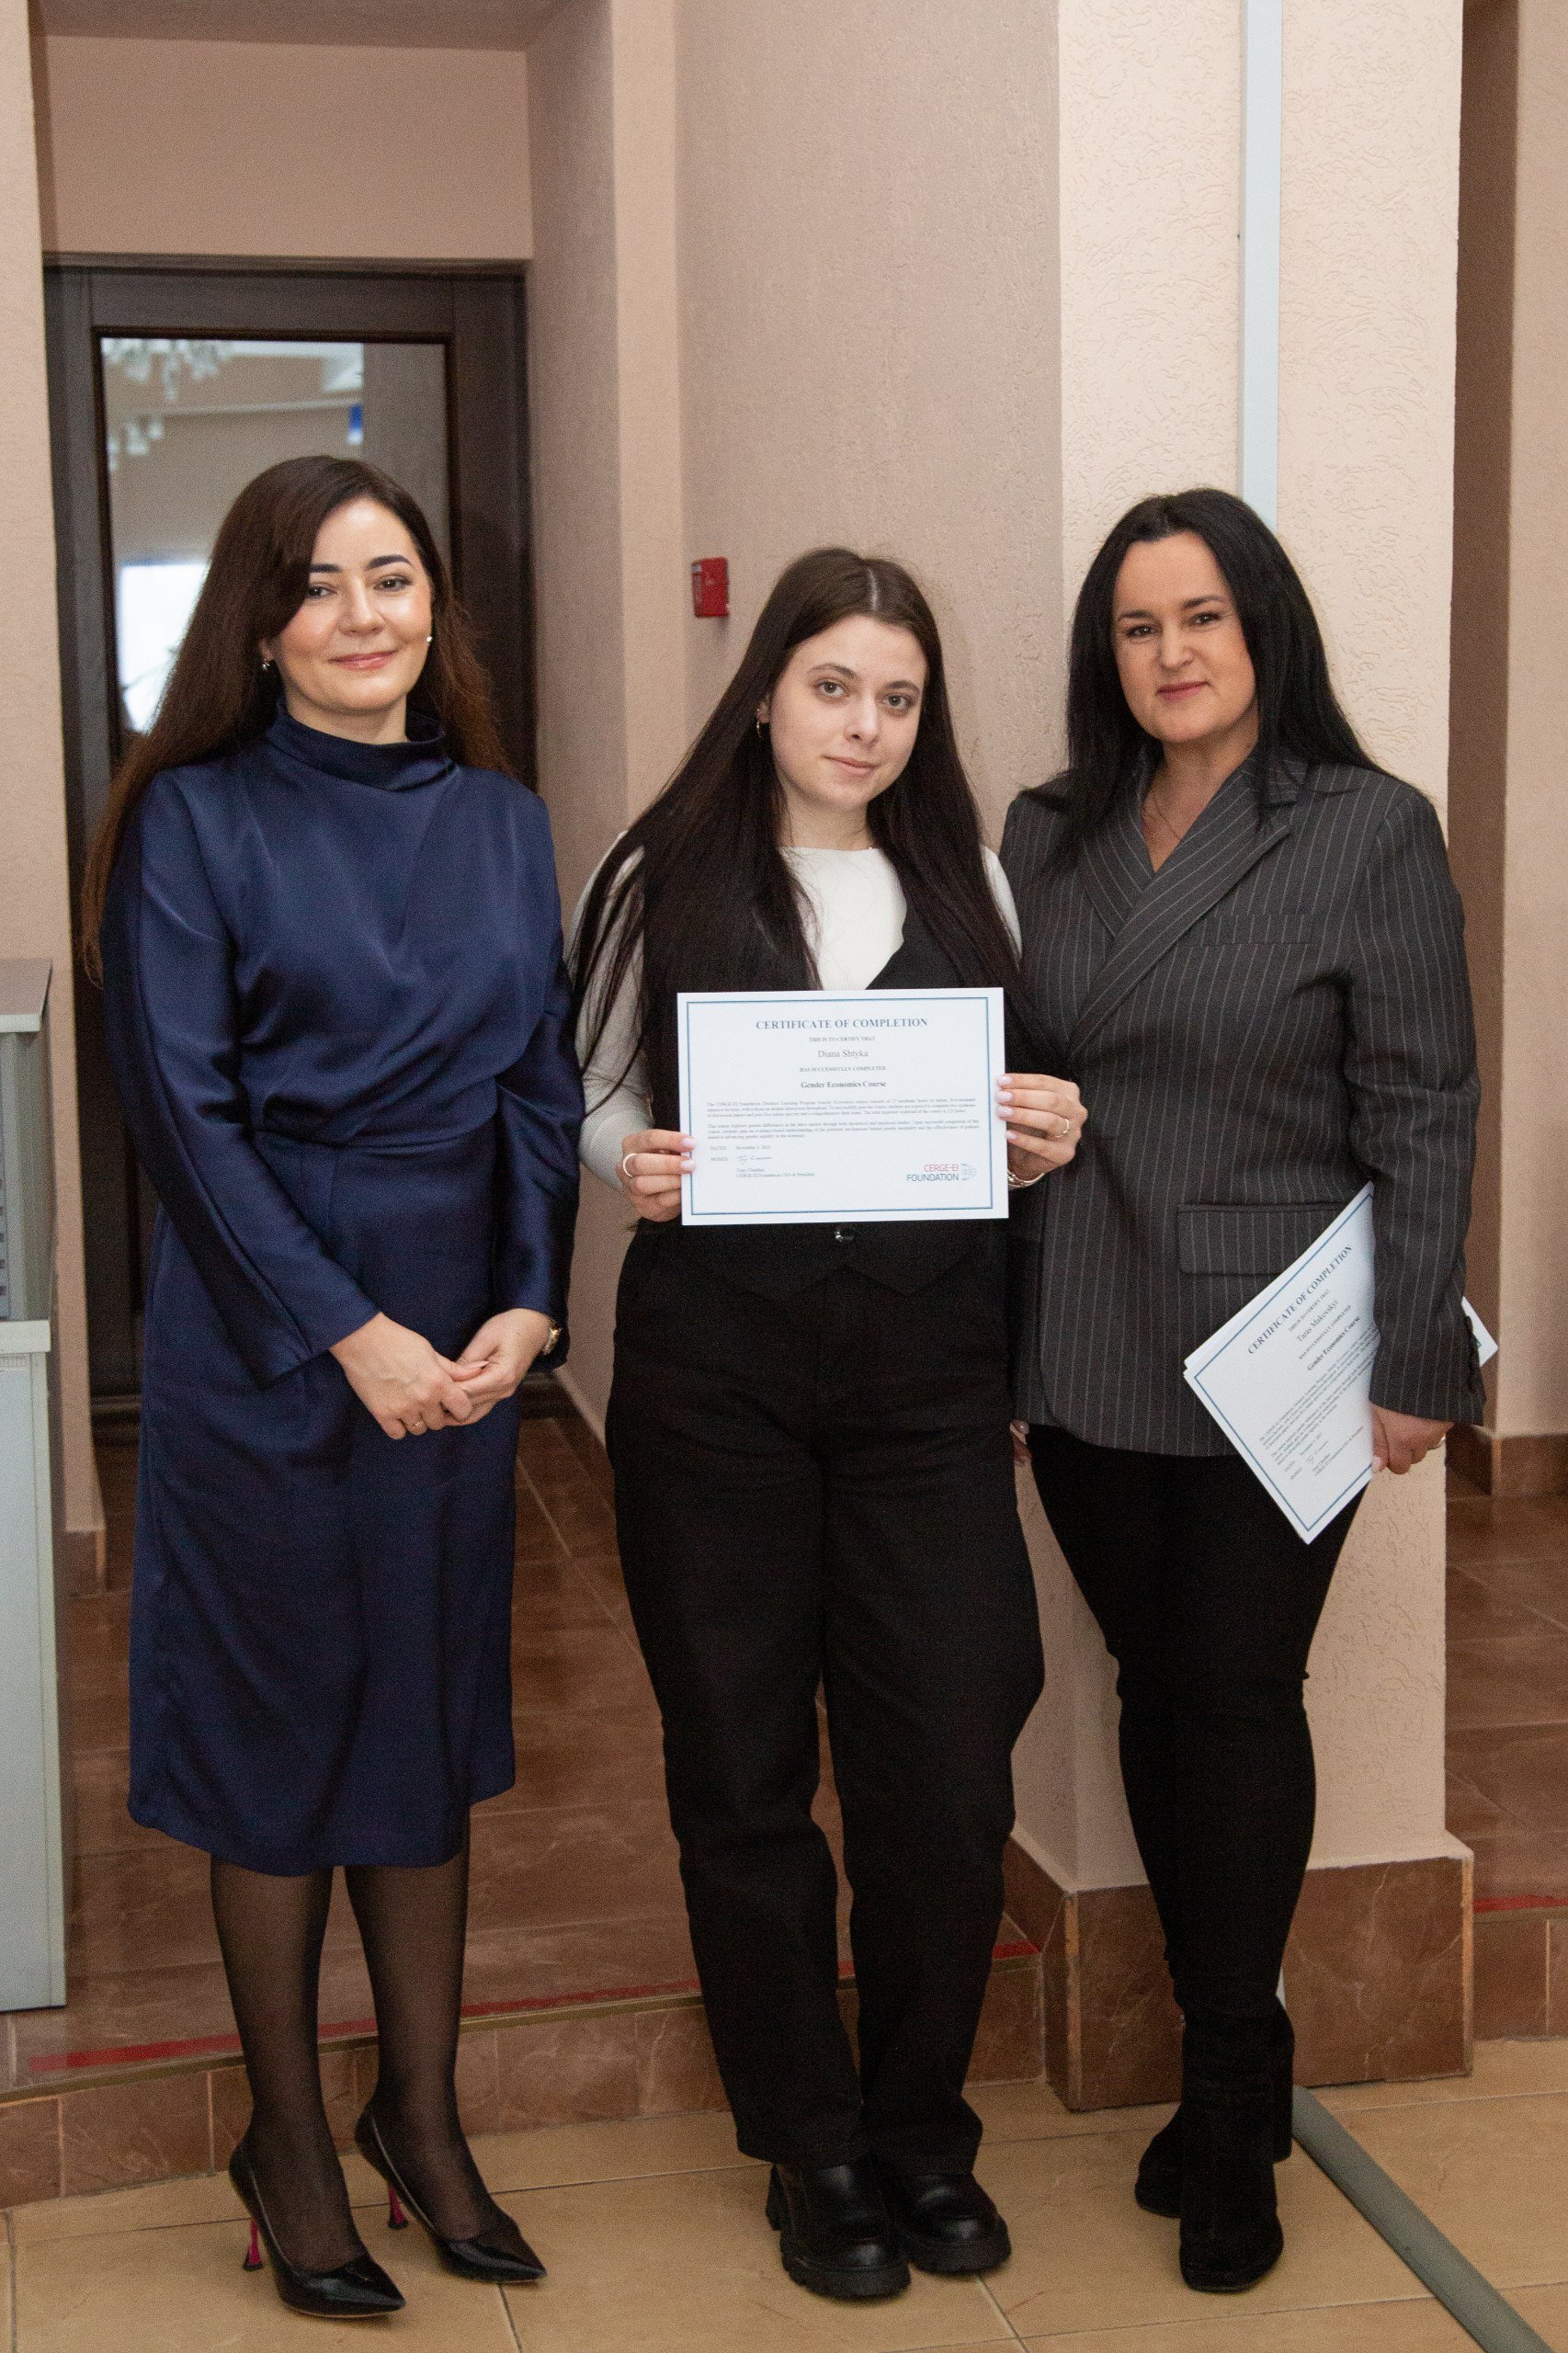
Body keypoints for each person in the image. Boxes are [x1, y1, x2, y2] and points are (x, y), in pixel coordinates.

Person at [86, 456, 582, 2322]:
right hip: (269, 1331)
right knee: (278, 1738)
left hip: (457, 1333)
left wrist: (528, 1302)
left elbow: (537, 1086)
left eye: (393, 577)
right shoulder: (192, 818)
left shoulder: (503, 822)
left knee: (425, 1717)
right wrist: (345, 1331)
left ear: (435, 606)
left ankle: (420, 2117)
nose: (363, 615)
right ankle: (289, 2140)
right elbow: (184, 1116)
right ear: (260, 623)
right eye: (318, 584)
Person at [572, 547, 1085, 2302]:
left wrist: (1040, 1134)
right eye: (832, 686)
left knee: (944, 1771)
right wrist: (630, 1161)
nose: (863, 725)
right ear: (766, 693)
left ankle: (922, 2129)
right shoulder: (658, 867)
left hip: (927, 1393)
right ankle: (810, 2147)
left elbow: (1011, 1108)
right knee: (739, 1773)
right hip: (712, 1388)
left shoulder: (967, 879)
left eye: (897, 697)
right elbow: (593, 1089)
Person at [1003, 488, 1483, 2294]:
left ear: (1263, 625)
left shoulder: (1365, 826)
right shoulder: (1048, 828)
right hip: (1078, 1318)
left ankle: (1228, 2087)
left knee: (1232, 1691)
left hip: (1271, 1345)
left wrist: (1417, 1354)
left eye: (1200, 615)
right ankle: (1235, 2054)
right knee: (1153, 1683)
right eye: (1137, 626)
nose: (1171, 653)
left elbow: (1422, 1098)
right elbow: (1004, 1046)